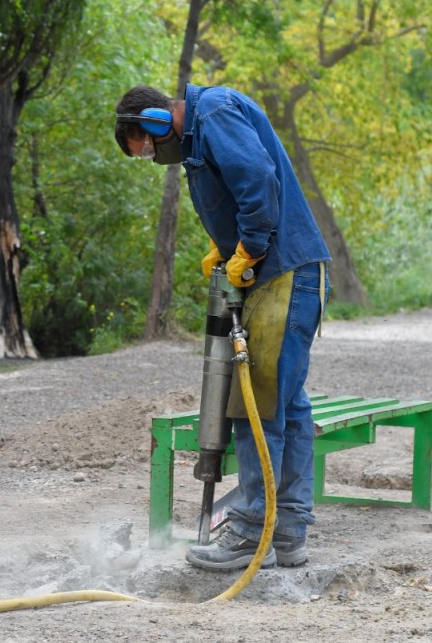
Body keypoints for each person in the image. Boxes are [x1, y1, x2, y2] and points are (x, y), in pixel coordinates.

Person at [114, 83, 331, 571]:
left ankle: (251, 533)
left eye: (146, 149)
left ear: (154, 122)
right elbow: (237, 188)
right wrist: (226, 244)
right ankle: (287, 531)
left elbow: (257, 178)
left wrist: (249, 247)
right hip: (290, 274)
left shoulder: (212, 113)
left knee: (254, 407)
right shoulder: (203, 133)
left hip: (284, 275)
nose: (153, 158)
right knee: (288, 407)